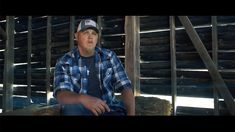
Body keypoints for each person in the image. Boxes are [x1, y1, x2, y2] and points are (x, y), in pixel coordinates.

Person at [53, 19, 135, 116]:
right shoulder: (65, 61)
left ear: (97, 37)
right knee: (70, 109)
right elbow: (61, 95)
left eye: (94, 33)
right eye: (86, 32)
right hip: (80, 110)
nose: (90, 37)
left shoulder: (109, 56)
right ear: (76, 36)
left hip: (108, 109)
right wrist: (83, 99)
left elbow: (126, 87)